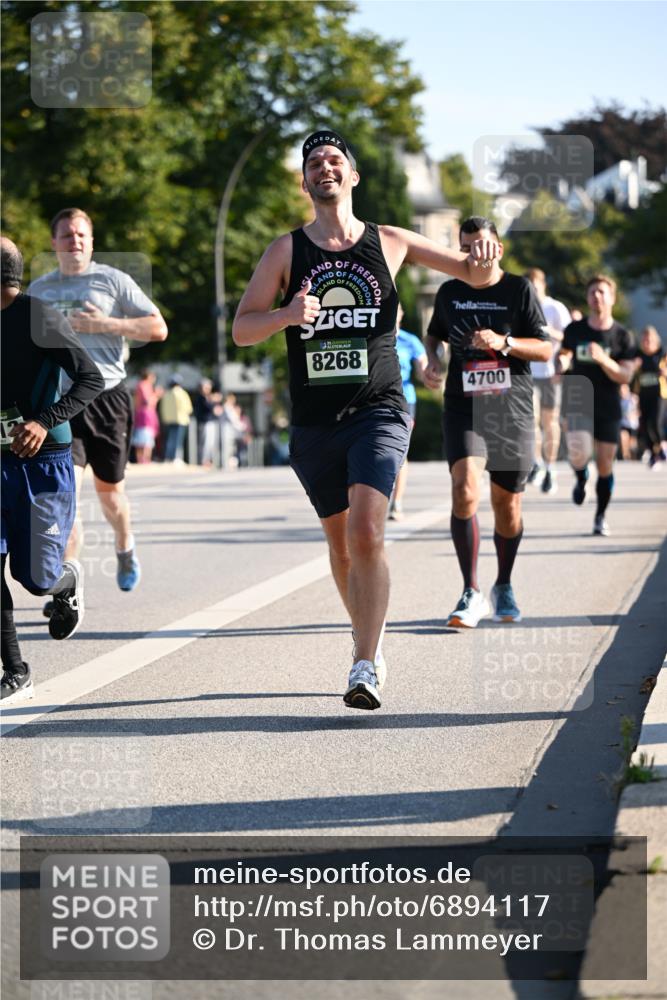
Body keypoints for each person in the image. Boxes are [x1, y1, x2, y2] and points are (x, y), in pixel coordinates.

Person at [232, 129, 500, 710]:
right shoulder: (285, 251)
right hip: (313, 420)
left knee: (366, 530)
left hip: (379, 409)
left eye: (334, 160)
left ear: (352, 176)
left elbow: (471, 274)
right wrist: (287, 314)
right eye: (313, 163)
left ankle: (364, 662)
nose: (323, 167)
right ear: (306, 182)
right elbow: (243, 328)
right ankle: (369, 642)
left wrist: (483, 259)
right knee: (341, 546)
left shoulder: (391, 242)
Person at [28, 208, 167, 606]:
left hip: (107, 397)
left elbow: (158, 328)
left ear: (91, 241)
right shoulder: (38, 292)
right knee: (64, 492)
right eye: (67, 235)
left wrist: (107, 325)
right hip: (61, 402)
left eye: (82, 235)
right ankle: (69, 586)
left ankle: (124, 546)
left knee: (110, 495)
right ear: (54, 243)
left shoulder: (113, 280)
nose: (75, 241)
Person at [425, 217, 551, 629]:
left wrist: (505, 342)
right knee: (464, 490)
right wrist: (432, 361)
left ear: (497, 248)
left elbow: (545, 349)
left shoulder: (519, 289)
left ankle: (504, 583)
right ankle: (470, 590)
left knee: (507, 508)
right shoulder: (449, 291)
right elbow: (435, 333)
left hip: (510, 411)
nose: (472, 253)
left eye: (480, 244)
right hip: (464, 406)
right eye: (465, 246)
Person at [1, 236, 103, 702]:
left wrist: (43, 421)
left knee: (34, 577)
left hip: (44, 463)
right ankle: (16, 671)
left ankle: (63, 581)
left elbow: (90, 379)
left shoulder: (38, 316)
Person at [559, 275, 637, 536]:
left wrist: (604, 359)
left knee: (605, 464)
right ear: (587, 298)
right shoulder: (575, 330)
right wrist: (562, 362)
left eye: (602, 292)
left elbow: (626, 375)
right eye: (593, 292)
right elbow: (565, 353)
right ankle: (581, 477)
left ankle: (600, 516)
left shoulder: (622, 336)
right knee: (578, 453)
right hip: (578, 399)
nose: (597, 296)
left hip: (608, 405)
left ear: (612, 298)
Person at [525, 268, 571, 494]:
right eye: (529, 285)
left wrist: (549, 331)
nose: (532, 289)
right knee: (530, 420)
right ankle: (537, 464)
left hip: (551, 372)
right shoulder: (523, 307)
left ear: (543, 284)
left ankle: (550, 467)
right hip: (529, 373)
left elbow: (569, 338)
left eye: (535, 284)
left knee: (549, 422)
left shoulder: (555, 308)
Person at [387, 304, 428, 520]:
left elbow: (424, 364)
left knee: (400, 453)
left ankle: (397, 503)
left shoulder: (409, 340)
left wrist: (427, 371)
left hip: (405, 401)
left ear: (401, 314)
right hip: (378, 400)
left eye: (396, 311)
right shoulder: (374, 336)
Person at [635, 325, 666, 467]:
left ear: (655, 339)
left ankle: (661, 446)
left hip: (659, 394)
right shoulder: (638, 355)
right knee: (645, 425)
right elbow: (633, 376)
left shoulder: (662, 354)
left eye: (650, 338)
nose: (647, 341)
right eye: (645, 338)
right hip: (643, 393)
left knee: (655, 422)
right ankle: (654, 454)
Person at [159, 374, 192, 462]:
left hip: (168, 420)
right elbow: (188, 408)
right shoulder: (181, 393)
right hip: (180, 420)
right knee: (177, 440)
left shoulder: (166, 394)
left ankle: (168, 457)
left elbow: (162, 408)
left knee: (169, 439)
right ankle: (175, 458)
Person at [131, 369, 162, 464]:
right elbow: (147, 401)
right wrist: (156, 394)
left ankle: (143, 459)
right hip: (145, 415)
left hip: (144, 414)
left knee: (144, 438)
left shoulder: (141, 385)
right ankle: (144, 460)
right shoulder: (144, 385)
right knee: (145, 438)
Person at [193, 378, 222, 467]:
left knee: (210, 443)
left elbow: (218, 410)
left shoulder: (207, 398)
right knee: (205, 443)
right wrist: (213, 400)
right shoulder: (201, 398)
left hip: (210, 422)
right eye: (206, 387)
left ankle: (208, 460)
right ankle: (204, 460)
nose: (208, 389)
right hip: (205, 422)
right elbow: (212, 409)